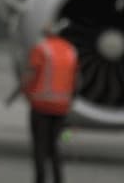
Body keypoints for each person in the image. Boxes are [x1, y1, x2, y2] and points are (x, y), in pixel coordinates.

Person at [20, 21, 79, 183]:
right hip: (61, 107)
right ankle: (59, 179)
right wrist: (70, 101)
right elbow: (76, 81)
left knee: (40, 146)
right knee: (55, 145)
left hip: (41, 105)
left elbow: (30, 74)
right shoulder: (70, 50)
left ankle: (40, 179)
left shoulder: (41, 48)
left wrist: (25, 92)